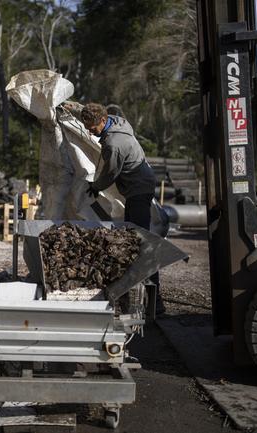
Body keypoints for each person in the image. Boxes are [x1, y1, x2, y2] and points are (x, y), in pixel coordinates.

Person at [79, 102, 165, 314]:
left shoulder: (114, 144)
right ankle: (142, 291)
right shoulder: (118, 124)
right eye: (86, 127)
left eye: (92, 127)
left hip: (138, 189)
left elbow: (110, 173)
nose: (90, 132)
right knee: (134, 237)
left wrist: (96, 187)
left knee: (140, 241)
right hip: (142, 184)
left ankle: (155, 297)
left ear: (102, 120)